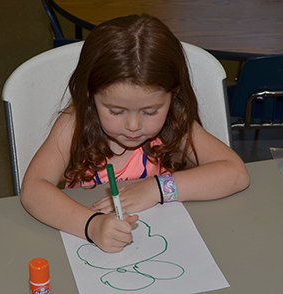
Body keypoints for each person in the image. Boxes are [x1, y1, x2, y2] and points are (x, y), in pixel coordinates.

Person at [21, 14, 250, 253]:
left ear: (173, 95)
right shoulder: (74, 124)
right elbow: (34, 189)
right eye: (116, 111)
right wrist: (91, 226)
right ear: (90, 95)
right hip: (84, 243)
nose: (133, 125)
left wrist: (157, 189)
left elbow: (235, 173)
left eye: (150, 111)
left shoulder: (175, 120)